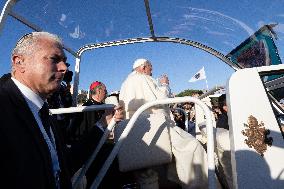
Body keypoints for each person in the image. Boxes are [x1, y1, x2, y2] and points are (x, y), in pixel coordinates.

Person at [119, 58, 208, 189]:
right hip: (155, 126)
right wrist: (165, 84)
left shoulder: (126, 82)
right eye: (150, 67)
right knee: (192, 146)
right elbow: (162, 100)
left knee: (146, 174)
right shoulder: (143, 79)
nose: (152, 71)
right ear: (143, 67)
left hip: (135, 132)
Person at [0, 32, 72, 189]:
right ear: (20, 62)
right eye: (54, 59)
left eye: (65, 62)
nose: (64, 68)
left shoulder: (43, 111)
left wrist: (103, 125)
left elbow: (60, 165)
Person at [69, 81, 126, 188]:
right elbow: (81, 134)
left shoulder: (105, 106)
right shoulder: (86, 108)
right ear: (99, 90)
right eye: (105, 90)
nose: (106, 92)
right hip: (93, 151)